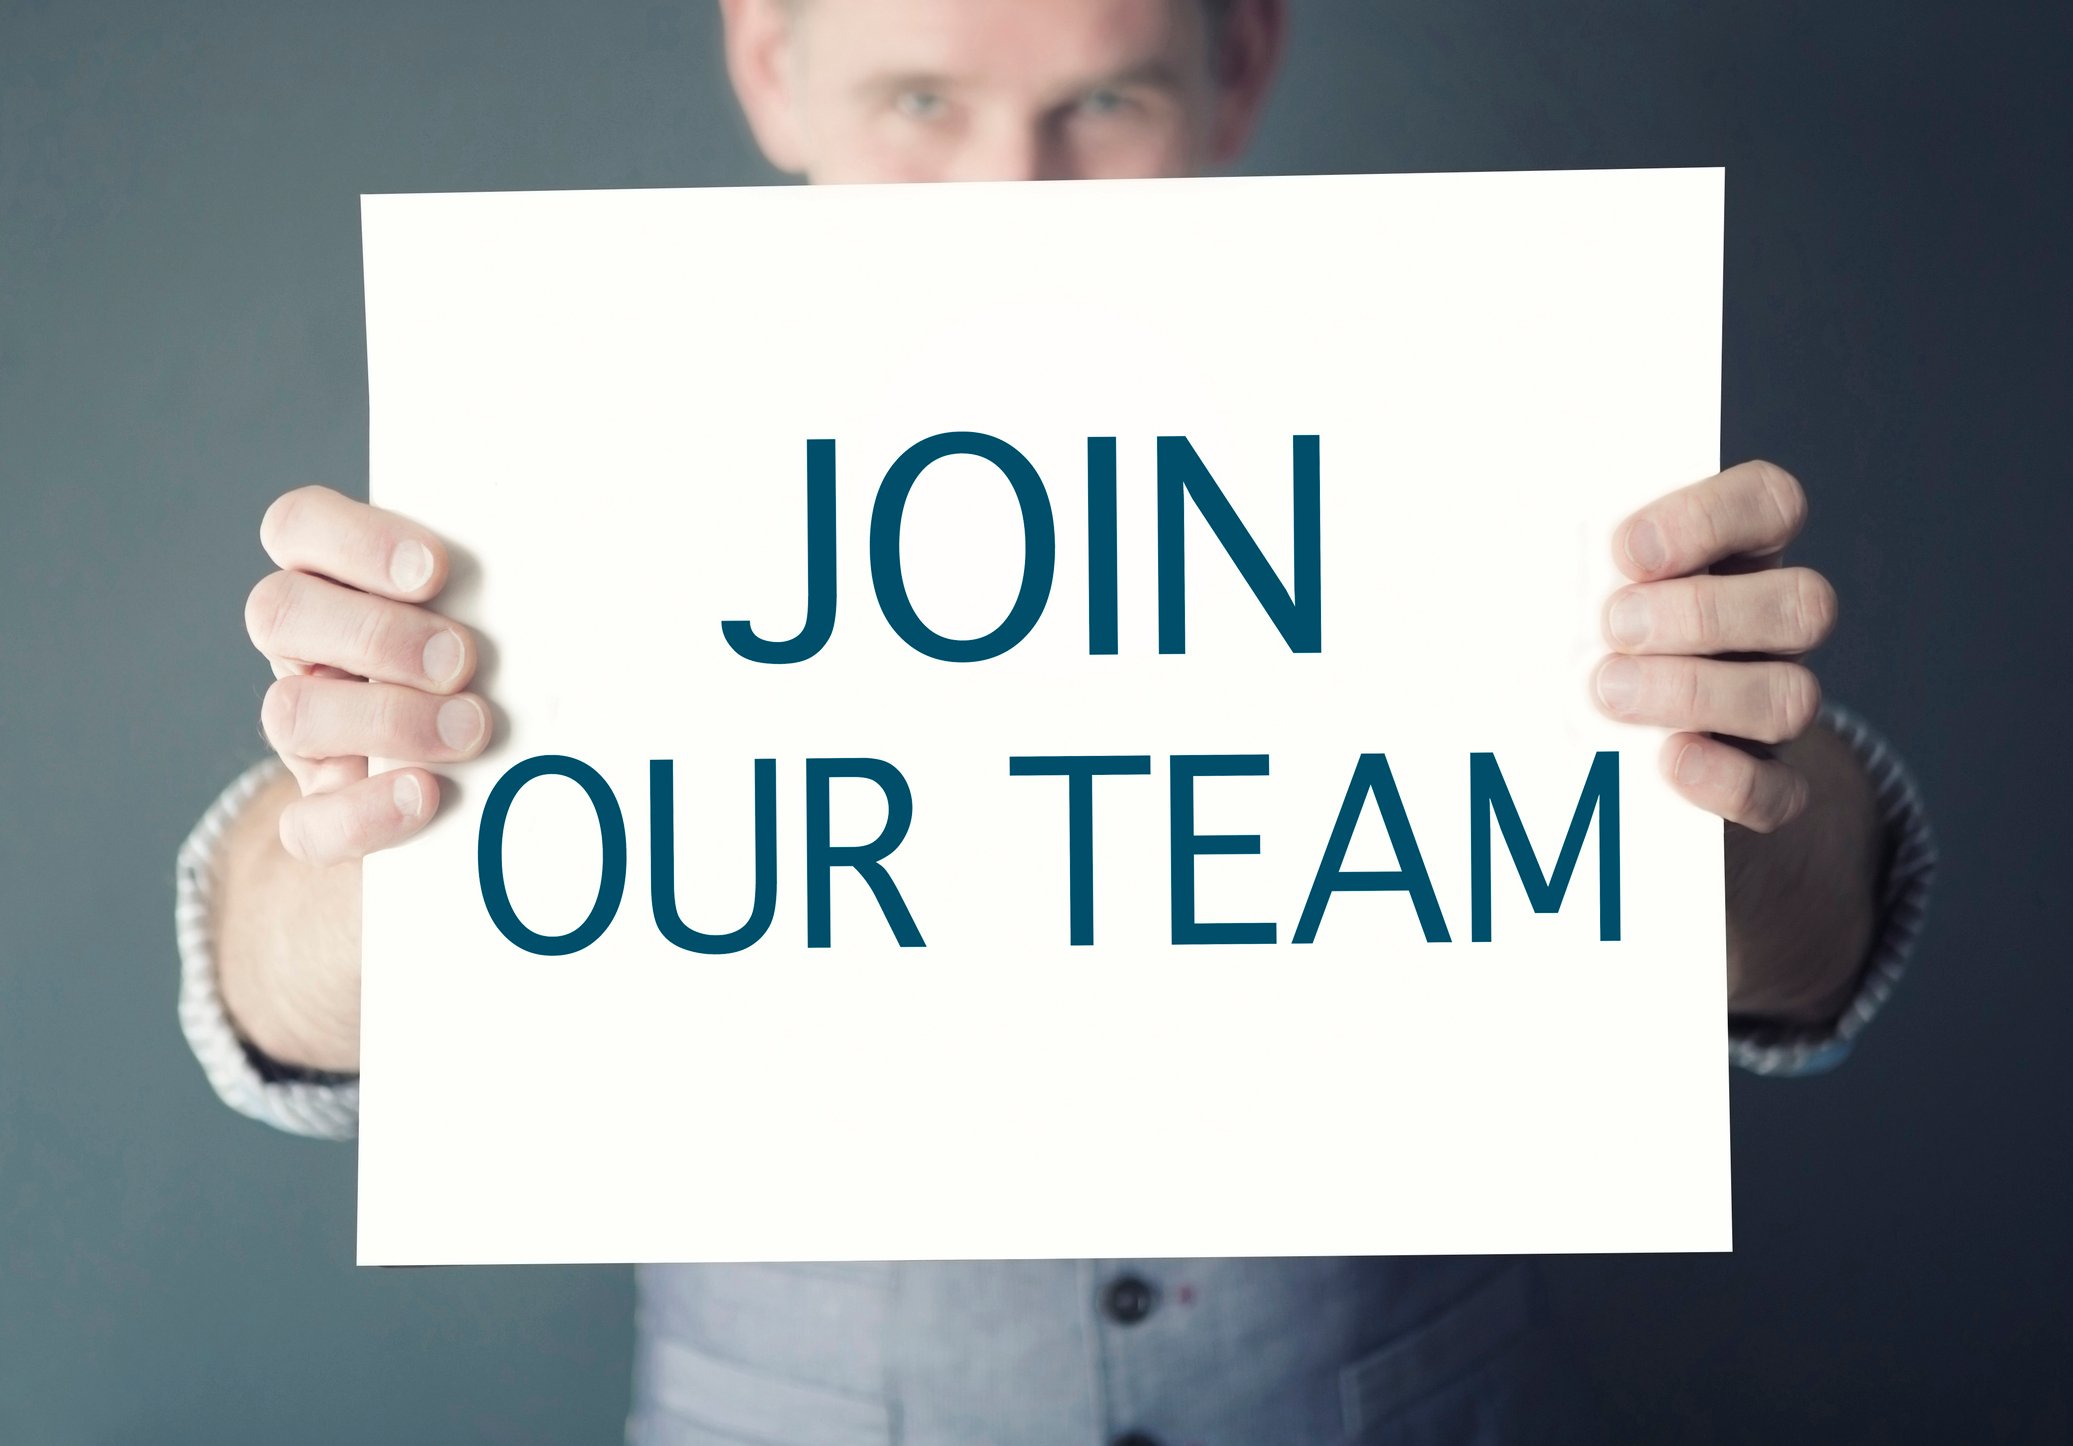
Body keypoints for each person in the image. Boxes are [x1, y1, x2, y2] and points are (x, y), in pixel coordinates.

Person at [175, 1, 1937, 1441]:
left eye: (1098, 99)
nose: (1006, 194)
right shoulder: (573, 474)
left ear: (1235, 65)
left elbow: (1813, 958)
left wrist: (1721, 796)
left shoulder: (1489, 437)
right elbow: (272, 999)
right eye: (921, 97)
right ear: (768, 64)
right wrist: (373, 807)